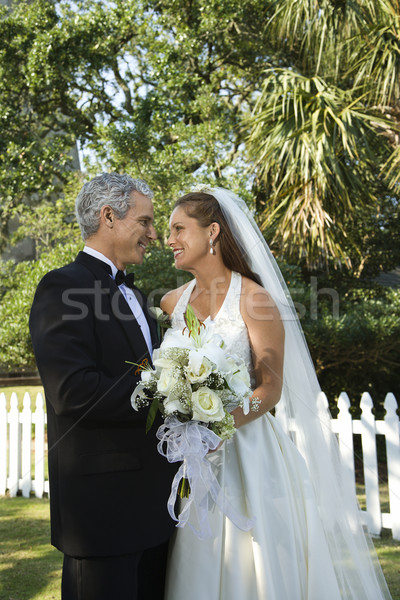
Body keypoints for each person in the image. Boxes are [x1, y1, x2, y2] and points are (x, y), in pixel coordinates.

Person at [160, 188, 392, 599]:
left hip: (249, 455)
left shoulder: (255, 300)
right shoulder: (171, 303)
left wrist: (218, 424)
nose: (169, 240)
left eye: (178, 228)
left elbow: (270, 390)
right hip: (191, 457)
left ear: (212, 232)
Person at [29, 173, 177, 600]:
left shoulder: (140, 297)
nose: (154, 235)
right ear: (108, 217)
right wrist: (167, 388)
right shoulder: (63, 286)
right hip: (103, 512)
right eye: (146, 222)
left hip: (155, 508)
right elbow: (73, 392)